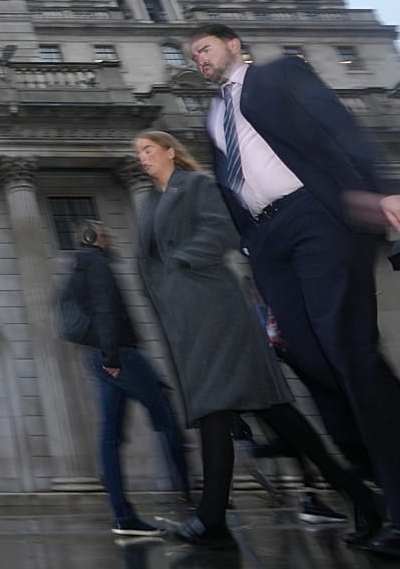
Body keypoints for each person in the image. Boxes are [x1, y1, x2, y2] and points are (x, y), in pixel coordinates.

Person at [190, 23, 400, 558]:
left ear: (234, 44)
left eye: (204, 47)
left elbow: (339, 126)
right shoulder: (213, 115)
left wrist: (382, 192)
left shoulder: (278, 75)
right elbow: (232, 185)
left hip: (316, 216)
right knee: (312, 360)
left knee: (349, 353)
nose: (198, 58)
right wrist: (250, 250)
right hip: (269, 239)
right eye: (192, 54)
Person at [133, 130, 379, 550]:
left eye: (148, 149)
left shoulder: (196, 184)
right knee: (273, 410)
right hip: (184, 315)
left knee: (216, 405)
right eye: (137, 152)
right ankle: (360, 495)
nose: (141, 157)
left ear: (171, 150)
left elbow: (223, 229)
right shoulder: (150, 202)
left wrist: (182, 260)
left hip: (214, 304)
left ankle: (212, 517)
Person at [65, 220, 190, 536]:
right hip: (118, 355)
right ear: (95, 238)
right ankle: (188, 498)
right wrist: (112, 357)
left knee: (110, 434)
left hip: (100, 356)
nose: (111, 239)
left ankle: (123, 515)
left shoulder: (80, 265)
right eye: (107, 235)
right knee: (165, 415)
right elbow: (105, 309)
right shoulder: (96, 263)